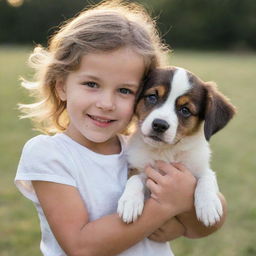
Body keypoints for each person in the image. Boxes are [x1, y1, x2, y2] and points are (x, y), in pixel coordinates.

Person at [15, 1, 227, 255]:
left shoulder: (142, 146)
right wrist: (163, 207)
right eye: (92, 84)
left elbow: (206, 224)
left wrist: (184, 215)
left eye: (125, 90)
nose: (106, 104)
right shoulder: (49, 155)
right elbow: (81, 247)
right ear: (61, 86)